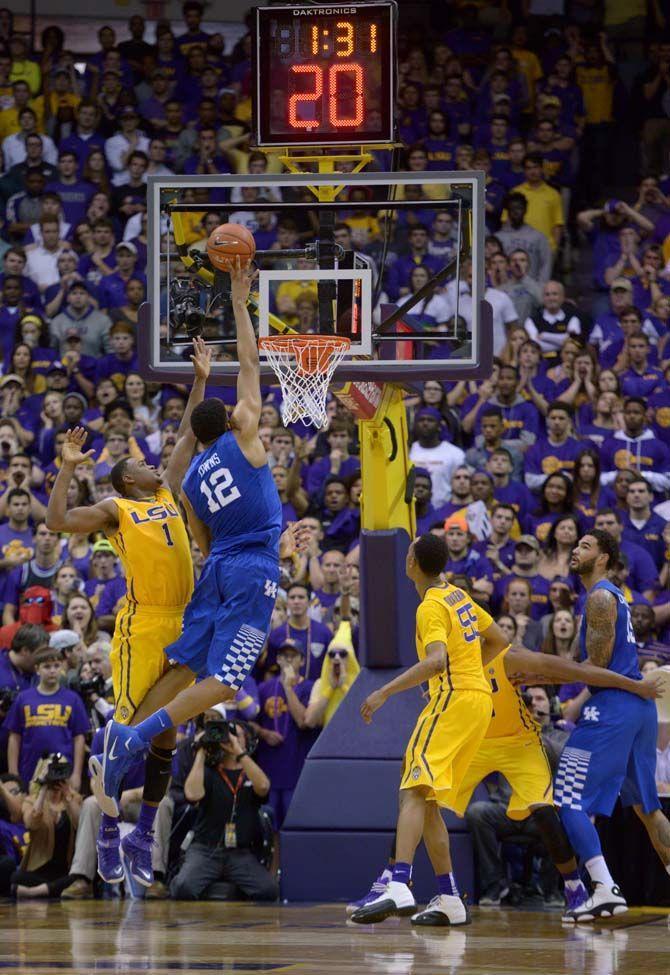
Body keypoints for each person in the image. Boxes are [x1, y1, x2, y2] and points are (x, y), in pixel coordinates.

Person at [96, 259, 308, 811]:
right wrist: (239, 304)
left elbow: (204, 543)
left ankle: (135, 730)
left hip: (216, 571)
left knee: (189, 669)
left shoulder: (188, 480)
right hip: (248, 571)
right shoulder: (248, 444)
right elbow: (250, 364)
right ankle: (134, 736)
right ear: (235, 423)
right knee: (226, 683)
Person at [44, 337, 211, 889]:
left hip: (186, 621)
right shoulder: (118, 509)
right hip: (143, 625)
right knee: (128, 730)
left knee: (167, 736)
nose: (152, 462)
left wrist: (202, 380)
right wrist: (68, 468)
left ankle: (141, 835)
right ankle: (111, 828)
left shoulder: (166, 494)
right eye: (141, 462)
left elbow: (188, 432)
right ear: (126, 480)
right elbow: (58, 523)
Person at [351, 533, 508, 925]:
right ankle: (451, 897)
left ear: (412, 565)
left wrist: (384, 691)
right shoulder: (458, 595)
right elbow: (499, 639)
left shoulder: (431, 606)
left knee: (411, 789)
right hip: (476, 702)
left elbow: (437, 661)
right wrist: (468, 674)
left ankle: (399, 883)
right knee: (428, 797)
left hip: (453, 701)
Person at [555, 530, 670, 922]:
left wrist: (539, 672)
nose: (575, 549)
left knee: (567, 799)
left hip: (613, 710)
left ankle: (604, 888)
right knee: (646, 810)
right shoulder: (608, 598)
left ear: (603, 558)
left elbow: (597, 670)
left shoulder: (601, 597)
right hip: (636, 712)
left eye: (585, 546)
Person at [170, 721, 278, 902]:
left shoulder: (250, 772)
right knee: (183, 888)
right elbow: (192, 794)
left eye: (236, 734)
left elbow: (264, 787)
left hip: (240, 853)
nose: (228, 738)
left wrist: (238, 750)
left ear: (247, 740)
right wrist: (202, 751)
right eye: (226, 734)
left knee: (268, 890)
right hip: (205, 849)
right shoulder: (209, 771)